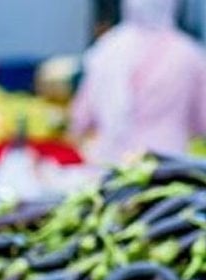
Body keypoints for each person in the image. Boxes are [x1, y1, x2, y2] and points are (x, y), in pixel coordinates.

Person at [71, 0, 206, 165]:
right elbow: (202, 121)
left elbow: (81, 119)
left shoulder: (106, 50)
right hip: (165, 167)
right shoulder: (189, 55)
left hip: (110, 165)